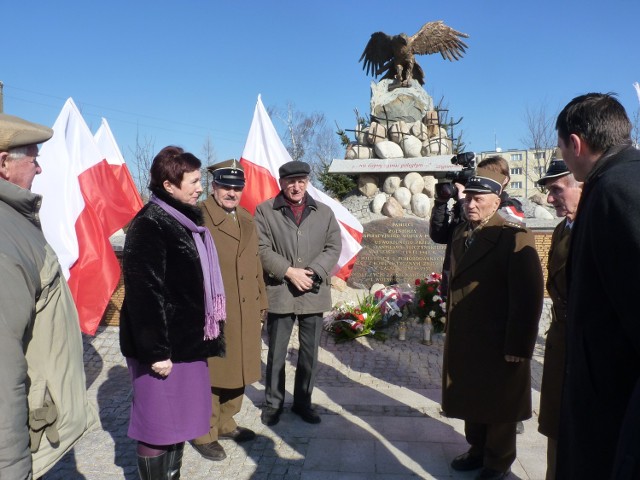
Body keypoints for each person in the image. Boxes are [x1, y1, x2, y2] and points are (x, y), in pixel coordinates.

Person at [0, 113, 98, 479]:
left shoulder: (12, 220)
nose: (39, 169)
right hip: (21, 447)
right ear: (3, 164)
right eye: (33, 158)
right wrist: (12, 469)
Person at [119, 146, 225, 479]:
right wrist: (156, 351)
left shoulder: (185, 221)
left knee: (181, 423)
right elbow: (143, 294)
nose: (200, 188)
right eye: (193, 182)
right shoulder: (149, 223)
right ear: (169, 185)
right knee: (158, 428)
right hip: (163, 351)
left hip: (189, 345)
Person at [554, 93, 640, 479]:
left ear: (576, 143)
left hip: (614, 402)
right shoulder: (620, 178)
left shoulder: (618, 189)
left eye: (561, 147)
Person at [442, 168, 543, 480]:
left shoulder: (513, 235)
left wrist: (519, 344)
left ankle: (498, 461)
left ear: (496, 201)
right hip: (468, 335)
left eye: (477, 198)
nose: (469, 203)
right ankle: (477, 449)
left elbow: (528, 296)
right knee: (473, 396)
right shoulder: (462, 232)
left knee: (500, 404)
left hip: (499, 339)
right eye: (467, 197)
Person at [192, 159, 268, 461]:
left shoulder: (246, 219)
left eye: (237, 187)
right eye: (226, 186)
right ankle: (204, 432)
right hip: (215, 310)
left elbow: (256, 263)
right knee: (213, 372)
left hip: (246, 307)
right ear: (214, 186)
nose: (232, 192)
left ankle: (226, 421)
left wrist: (263, 300)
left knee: (240, 368)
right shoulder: (199, 218)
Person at [255, 160, 341, 426]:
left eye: (301, 181)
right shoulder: (265, 211)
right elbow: (261, 248)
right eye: (291, 182)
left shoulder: (324, 212)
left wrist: (313, 271)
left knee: (309, 353)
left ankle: (303, 402)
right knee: (277, 351)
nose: (296, 187)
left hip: (313, 292)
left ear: (307, 182)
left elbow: (333, 246)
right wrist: (289, 272)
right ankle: (273, 403)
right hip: (281, 290)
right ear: (282, 183)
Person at [535, 156, 583, 480]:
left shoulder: (600, 228)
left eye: (557, 189)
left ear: (582, 184)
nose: (550, 198)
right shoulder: (561, 229)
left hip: (585, 347)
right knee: (555, 434)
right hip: (561, 342)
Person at [430, 155, 525, 296]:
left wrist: (464, 202)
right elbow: (440, 235)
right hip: (454, 286)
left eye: (490, 175)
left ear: (505, 179)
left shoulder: (510, 206)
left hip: (483, 291)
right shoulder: (467, 204)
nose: (483, 180)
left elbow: (486, 235)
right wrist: (441, 202)